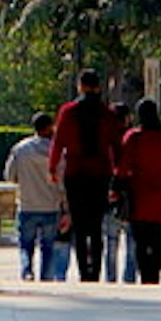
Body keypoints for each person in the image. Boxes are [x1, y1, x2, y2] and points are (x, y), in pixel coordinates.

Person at [50, 69, 123, 282]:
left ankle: (84, 271)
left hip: (75, 173)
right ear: (98, 87)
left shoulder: (68, 112)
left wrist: (53, 168)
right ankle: (95, 271)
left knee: (80, 227)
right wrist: (118, 175)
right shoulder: (107, 114)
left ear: (80, 86)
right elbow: (116, 146)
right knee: (96, 225)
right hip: (100, 173)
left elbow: (58, 142)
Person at [116, 97, 161, 285]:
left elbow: (123, 168)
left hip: (139, 192)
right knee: (157, 237)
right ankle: (154, 274)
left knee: (140, 239)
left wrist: (116, 188)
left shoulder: (134, 138)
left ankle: (145, 273)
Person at [6, 111, 67, 282]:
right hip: (50, 205)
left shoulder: (20, 149)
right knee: (47, 246)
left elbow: (9, 176)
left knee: (26, 245)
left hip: (27, 204)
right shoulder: (58, 153)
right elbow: (62, 181)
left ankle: (26, 271)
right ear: (49, 127)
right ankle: (46, 277)